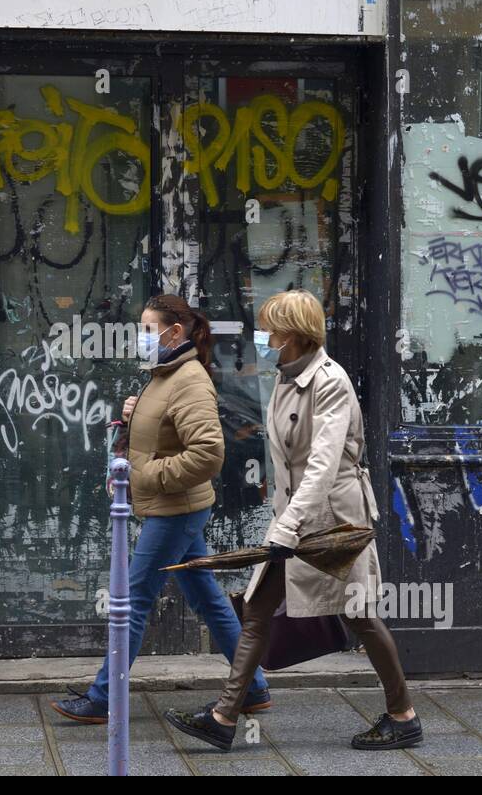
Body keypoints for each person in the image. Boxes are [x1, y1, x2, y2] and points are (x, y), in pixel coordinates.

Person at [164, 289, 422, 751]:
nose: (265, 338)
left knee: (359, 613)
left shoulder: (330, 381)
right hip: (296, 515)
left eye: (272, 330)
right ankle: (223, 716)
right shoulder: (287, 375)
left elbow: (323, 466)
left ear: (296, 335)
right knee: (259, 608)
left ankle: (403, 715)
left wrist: (286, 526)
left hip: (335, 520)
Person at [52, 294, 271, 723]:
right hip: (178, 508)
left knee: (133, 599)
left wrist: (142, 477)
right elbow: (166, 431)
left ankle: (104, 697)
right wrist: (133, 416)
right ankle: (253, 687)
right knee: (207, 599)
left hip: (177, 509)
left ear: (174, 333)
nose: (141, 337)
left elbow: (207, 454)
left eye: (148, 330)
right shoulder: (165, 374)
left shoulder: (187, 379)